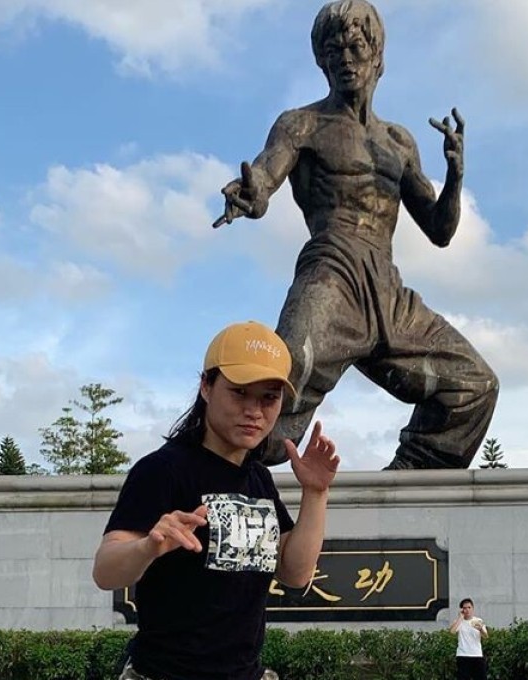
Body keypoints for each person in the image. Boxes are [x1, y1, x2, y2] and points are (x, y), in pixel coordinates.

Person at [213, 0, 498, 470]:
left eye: (355, 47)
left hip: (388, 291)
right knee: (281, 378)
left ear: (377, 56)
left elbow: (441, 231)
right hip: (333, 271)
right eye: (333, 50)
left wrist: (456, 176)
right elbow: (263, 180)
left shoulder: (399, 143)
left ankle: (411, 480)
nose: (345, 58)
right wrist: (248, 193)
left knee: (475, 384)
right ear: (321, 61)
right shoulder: (301, 124)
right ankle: (219, 472)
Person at [92, 321, 340, 680]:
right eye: (239, 392)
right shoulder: (163, 470)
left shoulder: (259, 480)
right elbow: (105, 571)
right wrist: (148, 546)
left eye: (268, 398)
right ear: (206, 387)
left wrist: (316, 494)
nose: (254, 411)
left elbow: (296, 572)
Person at [449, 598, 488, 680]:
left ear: (473, 608)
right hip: (463, 655)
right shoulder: (458, 622)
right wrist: (460, 618)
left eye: (469, 607)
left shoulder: (478, 621)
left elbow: (486, 636)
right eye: (464, 608)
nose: (467, 610)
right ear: (462, 610)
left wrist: (481, 629)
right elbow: (452, 632)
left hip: (477, 655)